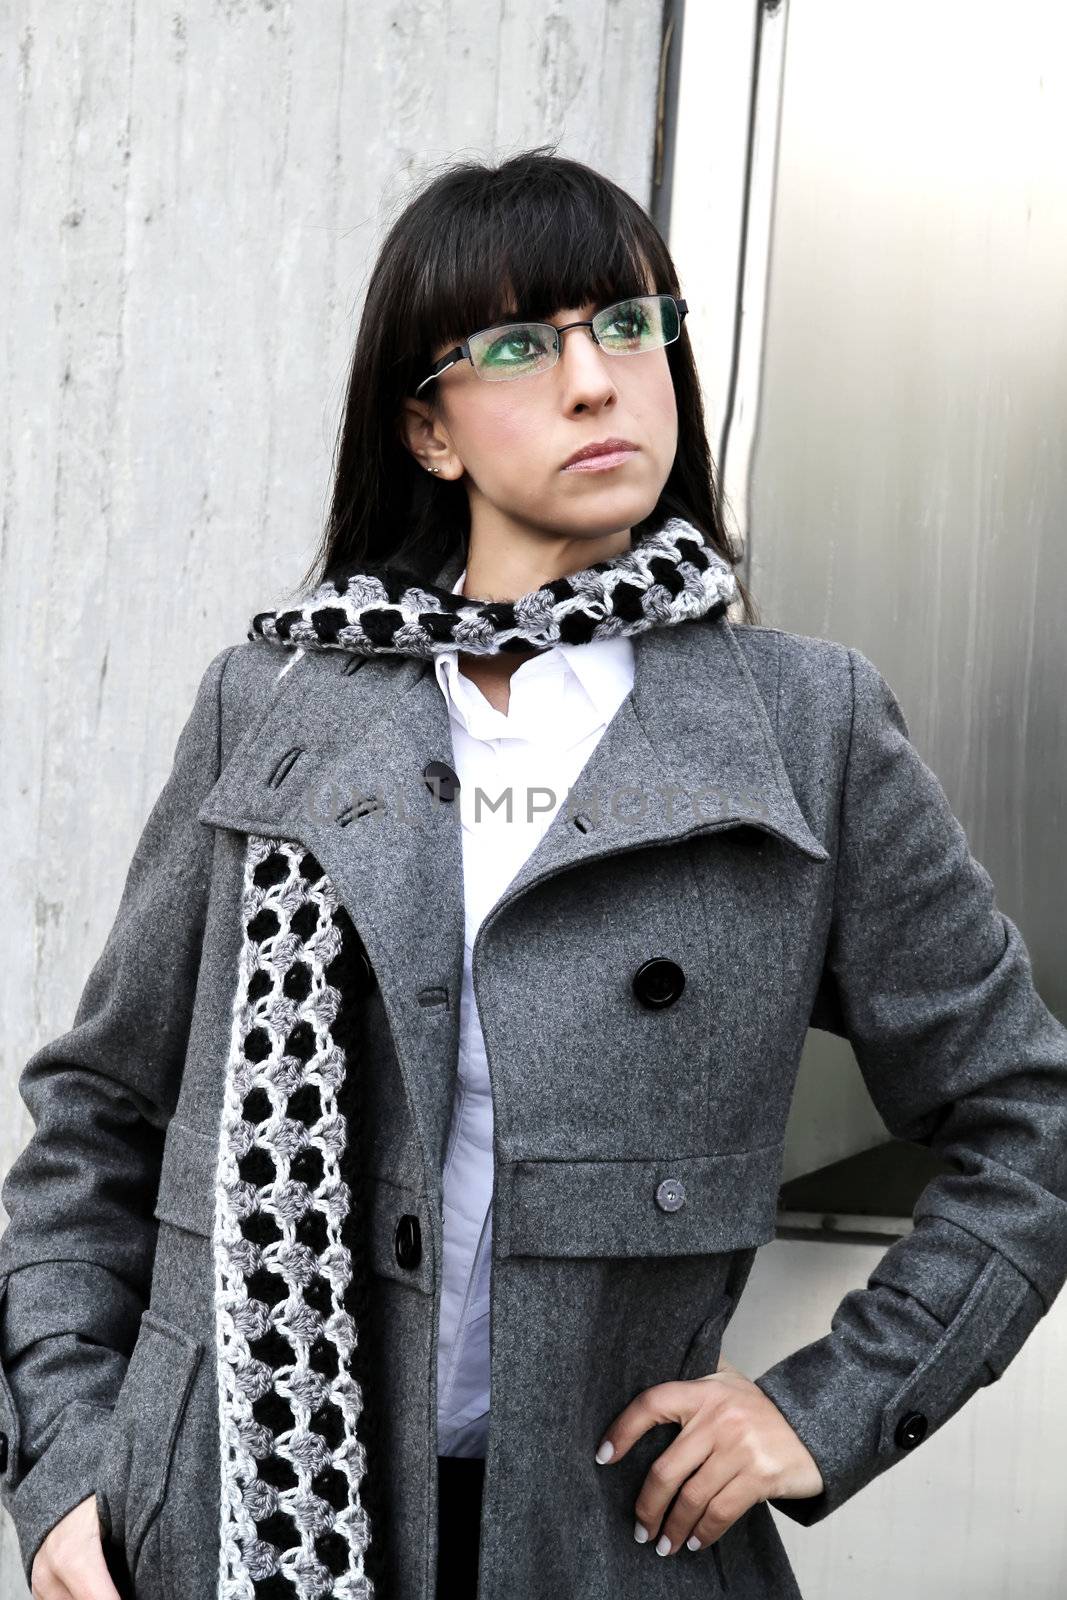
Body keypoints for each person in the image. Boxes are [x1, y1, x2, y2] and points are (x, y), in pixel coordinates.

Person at [2, 146, 1066, 1600]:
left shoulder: (802, 725)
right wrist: (67, 1465)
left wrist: (819, 1411)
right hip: (231, 1530)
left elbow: (1030, 1120)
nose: (595, 379)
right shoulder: (276, 704)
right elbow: (98, 1122)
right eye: (521, 345)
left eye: (631, 328)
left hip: (604, 1550)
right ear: (431, 433)